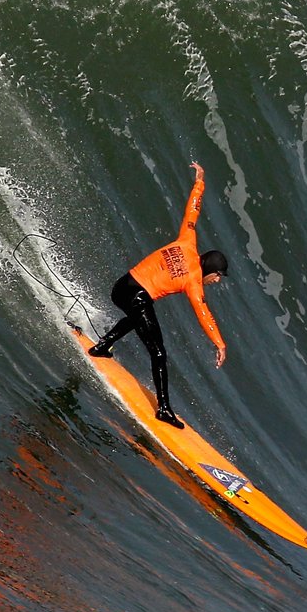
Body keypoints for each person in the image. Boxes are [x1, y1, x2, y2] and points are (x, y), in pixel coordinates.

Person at [89, 162, 227, 429]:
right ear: (211, 270)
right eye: (218, 276)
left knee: (140, 317)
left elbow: (192, 212)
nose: (217, 281)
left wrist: (200, 181)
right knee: (159, 352)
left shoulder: (187, 240)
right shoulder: (194, 281)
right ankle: (163, 409)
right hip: (137, 296)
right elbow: (203, 313)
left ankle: (103, 345)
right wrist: (220, 344)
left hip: (122, 287)